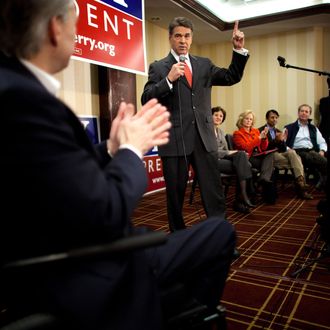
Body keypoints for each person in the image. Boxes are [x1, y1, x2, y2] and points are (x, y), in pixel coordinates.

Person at [0, 1, 236, 330]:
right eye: (75, 23)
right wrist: (130, 149)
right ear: (56, 28)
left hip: (61, 246)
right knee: (220, 233)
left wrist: (110, 150)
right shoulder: (27, 104)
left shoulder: (14, 89)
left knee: (214, 220)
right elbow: (107, 212)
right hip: (90, 265)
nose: (77, 32)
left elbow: (57, 174)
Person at [141, 16, 249, 231]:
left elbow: (231, 77)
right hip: (174, 141)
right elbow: (147, 98)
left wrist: (238, 51)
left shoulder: (204, 65)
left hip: (204, 138)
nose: (183, 40)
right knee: (175, 194)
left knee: (213, 191)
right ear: (171, 38)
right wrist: (168, 81)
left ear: (191, 39)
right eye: (178, 36)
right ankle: (178, 237)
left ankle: (220, 234)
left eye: (187, 36)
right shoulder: (159, 67)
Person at [259, 109, 313, 199]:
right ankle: (301, 185)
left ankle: (300, 181)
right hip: (269, 156)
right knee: (297, 162)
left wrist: (282, 141)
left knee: (292, 152)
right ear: (267, 119)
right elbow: (263, 148)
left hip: (279, 154)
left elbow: (283, 149)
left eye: (276, 118)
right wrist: (276, 140)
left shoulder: (278, 131)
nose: (274, 119)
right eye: (272, 117)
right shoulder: (261, 130)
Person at [212, 106, 254, 213]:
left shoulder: (220, 132)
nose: (218, 117)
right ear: (210, 116)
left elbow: (226, 149)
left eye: (221, 116)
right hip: (212, 161)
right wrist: (228, 152)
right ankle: (242, 197)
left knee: (241, 156)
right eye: (216, 115)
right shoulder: (206, 132)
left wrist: (232, 152)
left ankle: (242, 198)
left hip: (224, 159)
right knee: (246, 165)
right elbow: (210, 152)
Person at [233, 110, 276, 203]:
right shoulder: (237, 133)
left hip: (258, 155)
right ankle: (260, 182)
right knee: (270, 167)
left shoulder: (256, 131)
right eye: (246, 119)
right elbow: (246, 147)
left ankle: (262, 179)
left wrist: (264, 139)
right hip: (247, 158)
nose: (249, 121)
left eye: (251, 119)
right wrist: (259, 138)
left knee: (271, 155)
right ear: (242, 120)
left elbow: (263, 148)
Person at [284, 104, 327, 191]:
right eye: (302, 111)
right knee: (313, 157)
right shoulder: (288, 128)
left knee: (314, 156)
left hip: (311, 151)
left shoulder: (313, 128)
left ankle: (322, 178)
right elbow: (282, 144)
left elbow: (322, 142)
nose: (304, 113)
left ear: (309, 114)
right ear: (298, 113)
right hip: (296, 152)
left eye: (306, 111)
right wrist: (289, 150)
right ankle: (320, 178)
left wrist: (322, 150)